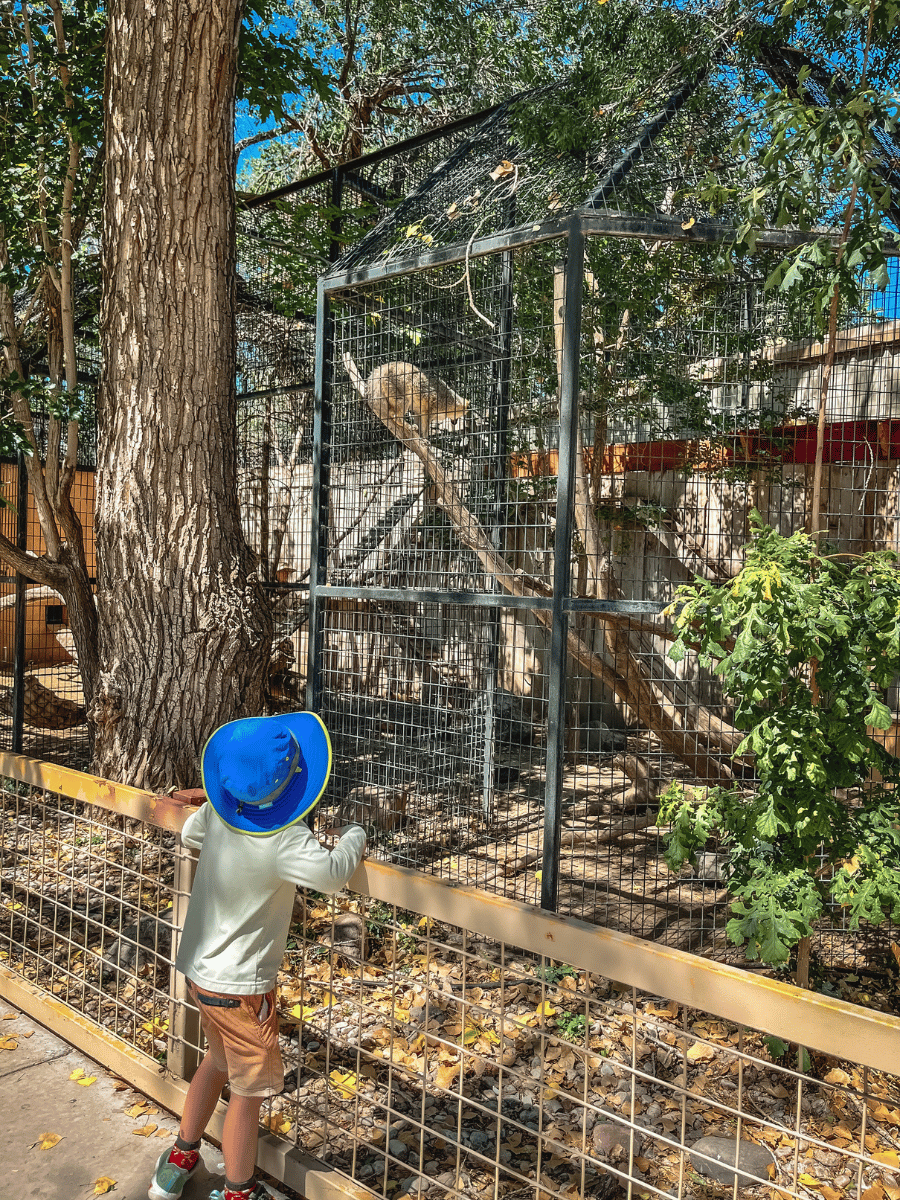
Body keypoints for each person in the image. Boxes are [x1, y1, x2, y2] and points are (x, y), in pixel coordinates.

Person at [148, 711, 366, 1200]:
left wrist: (212, 801)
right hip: (243, 990)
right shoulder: (287, 839)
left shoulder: (219, 815)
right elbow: (331, 875)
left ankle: (179, 1160)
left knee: (215, 1063)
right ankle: (239, 1190)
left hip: (200, 975)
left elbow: (191, 834)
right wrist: (355, 836)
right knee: (247, 1095)